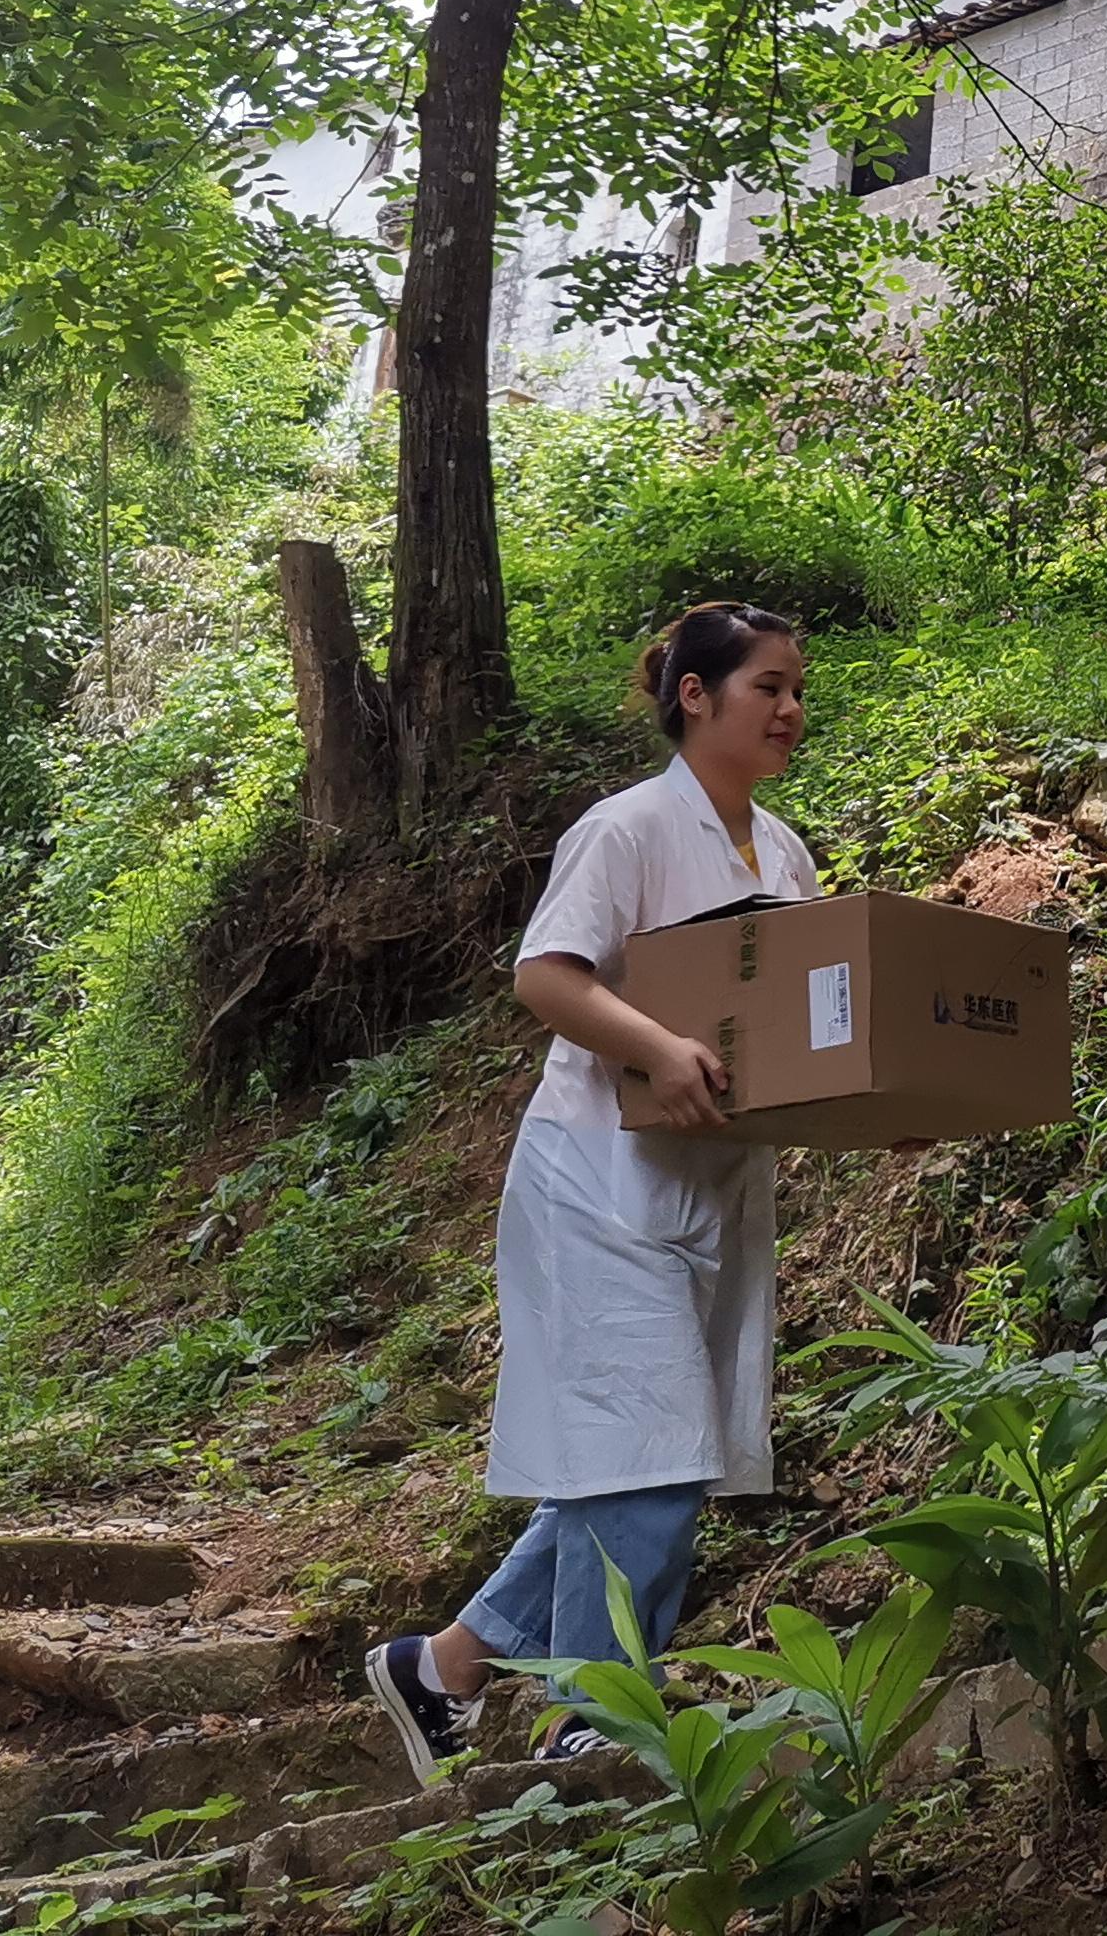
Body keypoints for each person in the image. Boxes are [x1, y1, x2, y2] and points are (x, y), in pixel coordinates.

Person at [364, 602, 815, 1782]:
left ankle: (445, 1665)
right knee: (654, 1454)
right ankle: (593, 1720)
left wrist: (887, 1110)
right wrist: (658, 1048)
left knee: (638, 1456)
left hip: (709, 1183)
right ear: (694, 697)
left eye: (794, 688)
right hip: (600, 1182)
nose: (788, 709)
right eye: (765, 686)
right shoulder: (623, 832)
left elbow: (805, 1032)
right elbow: (548, 977)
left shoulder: (785, 851)